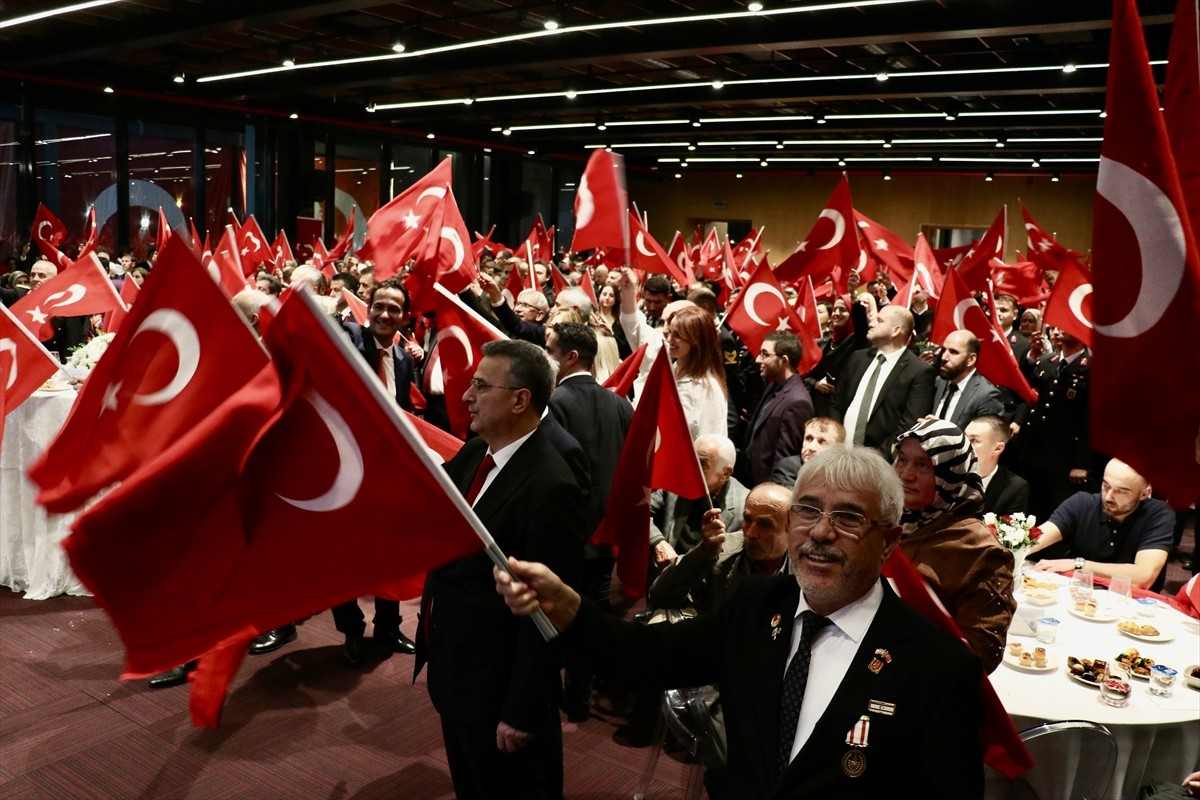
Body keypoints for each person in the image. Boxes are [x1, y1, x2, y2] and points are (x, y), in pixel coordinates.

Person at [495, 445, 985, 799]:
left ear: (890, 541)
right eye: (808, 510)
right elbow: (646, 655)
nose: (820, 531)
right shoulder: (756, 604)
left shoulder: (938, 669)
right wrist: (569, 610)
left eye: (850, 518)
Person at [415, 339, 587, 800]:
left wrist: (523, 708)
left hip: (499, 690)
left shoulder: (552, 485)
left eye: (480, 386)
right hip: (456, 671)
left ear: (520, 399)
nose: (467, 396)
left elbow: (546, 615)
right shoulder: (474, 453)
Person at [649, 482, 794, 796]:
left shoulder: (805, 566)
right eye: (746, 519)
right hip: (723, 675)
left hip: (783, 675)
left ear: (792, 528)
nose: (751, 532)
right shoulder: (723, 549)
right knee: (732, 761)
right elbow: (660, 594)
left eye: (765, 524)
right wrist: (701, 554)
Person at [334, 278, 418, 664]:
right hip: (346, 470)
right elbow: (336, 330)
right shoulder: (350, 337)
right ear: (366, 309)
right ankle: (351, 631)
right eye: (378, 306)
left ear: (405, 317)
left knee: (393, 551)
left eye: (394, 309)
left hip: (386, 471)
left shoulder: (402, 361)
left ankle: (388, 625)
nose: (384, 314)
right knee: (345, 556)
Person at [892, 419, 1015, 673]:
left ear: (951, 472)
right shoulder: (886, 521)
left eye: (923, 465)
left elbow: (982, 653)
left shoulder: (981, 550)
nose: (905, 474)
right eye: (902, 460)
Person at [1029, 458, 1175, 591]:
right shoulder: (1082, 503)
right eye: (1106, 486)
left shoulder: (1159, 514)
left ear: (1144, 494)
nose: (1109, 496)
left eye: (1121, 491)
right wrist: (1015, 544)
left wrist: (1079, 564)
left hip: (1131, 603)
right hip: (1080, 593)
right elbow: (1037, 538)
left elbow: (1143, 577)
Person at [830, 305, 935, 452]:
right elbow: (836, 404)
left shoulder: (919, 372)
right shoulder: (858, 358)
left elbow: (908, 425)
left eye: (879, 320)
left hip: (879, 464)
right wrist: (835, 442)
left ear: (896, 330)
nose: (871, 323)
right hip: (839, 453)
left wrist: (878, 459)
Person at [650, 434, 748, 573]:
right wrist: (658, 542)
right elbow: (638, 510)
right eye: (691, 460)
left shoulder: (745, 506)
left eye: (701, 464)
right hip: (666, 576)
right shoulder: (677, 483)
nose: (690, 469)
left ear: (725, 473)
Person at [740, 331, 814, 487]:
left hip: (766, 487)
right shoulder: (772, 385)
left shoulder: (798, 401)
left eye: (765, 354)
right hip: (750, 479)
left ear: (784, 360)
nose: (758, 359)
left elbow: (784, 459)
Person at [667, 305, 729, 440]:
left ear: (696, 340)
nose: (669, 340)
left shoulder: (708, 389)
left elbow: (709, 448)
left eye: (677, 335)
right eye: (670, 332)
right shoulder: (668, 371)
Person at [933, 330, 1004, 430]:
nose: (944, 357)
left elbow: (984, 441)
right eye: (943, 350)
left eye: (953, 352)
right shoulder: (939, 382)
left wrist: (941, 433)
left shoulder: (987, 396)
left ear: (970, 359)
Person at [965, 415, 1029, 516]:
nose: (964, 445)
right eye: (964, 438)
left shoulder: (1015, 488)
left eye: (974, 440)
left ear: (998, 448)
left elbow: (1008, 529)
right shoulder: (948, 471)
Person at [770, 417, 846, 489]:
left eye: (822, 441)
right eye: (809, 439)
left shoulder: (845, 476)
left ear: (838, 449)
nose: (811, 447)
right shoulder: (788, 467)